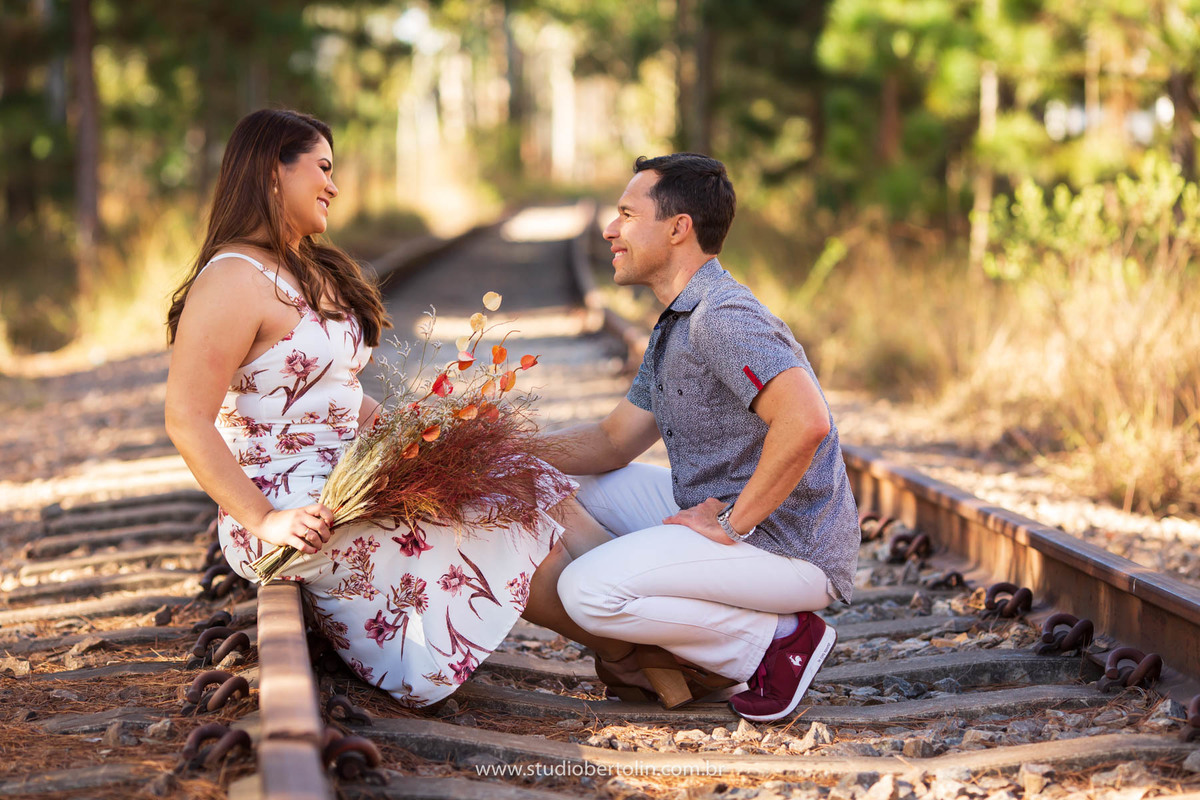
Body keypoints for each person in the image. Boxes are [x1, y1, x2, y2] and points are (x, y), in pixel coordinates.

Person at [164, 108, 616, 707]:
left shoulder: (308, 268)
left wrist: (422, 433)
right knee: (483, 514)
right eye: (322, 168)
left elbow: (335, 395)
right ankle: (629, 648)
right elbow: (186, 418)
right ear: (273, 172)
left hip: (343, 467)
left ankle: (644, 617)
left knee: (520, 476)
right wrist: (265, 519)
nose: (333, 184)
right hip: (290, 503)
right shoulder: (231, 279)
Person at [544, 153, 861, 721]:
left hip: (788, 545)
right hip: (724, 510)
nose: (609, 229)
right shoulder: (677, 320)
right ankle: (681, 641)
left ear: (677, 228)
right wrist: (509, 450)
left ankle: (779, 643)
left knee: (586, 592)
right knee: (555, 491)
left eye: (625, 214)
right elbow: (615, 441)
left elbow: (806, 420)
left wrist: (734, 523)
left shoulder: (721, 315)